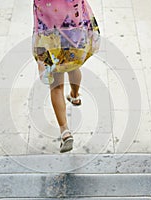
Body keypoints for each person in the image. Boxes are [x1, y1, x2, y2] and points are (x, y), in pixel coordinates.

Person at [32, 0, 100, 153]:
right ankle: (75, 96)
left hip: (49, 32)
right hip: (73, 28)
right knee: (73, 68)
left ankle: (65, 132)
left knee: (56, 85)